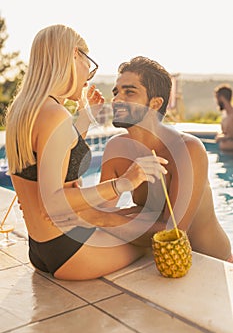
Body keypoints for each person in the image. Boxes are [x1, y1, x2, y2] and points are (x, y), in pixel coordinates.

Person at [5, 25, 168, 280]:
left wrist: (85, 116)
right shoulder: (54, 115)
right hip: (70, 252)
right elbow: (52, 202)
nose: (89, 76)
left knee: (129, 217)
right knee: (149, 239)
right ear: (73, 56)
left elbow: (55, 157)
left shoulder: (24, 109)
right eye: (88, 64)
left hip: (40, 249)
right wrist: (123, 183)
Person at [100, 56, 233, 263]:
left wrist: (106, 219)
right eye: (116, 92)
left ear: (155, 103)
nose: (116, 99)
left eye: (129, 92)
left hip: (213, 264)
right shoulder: (116, 148)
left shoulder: (187, 150)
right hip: (161, 262)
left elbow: (173, 232)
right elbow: (101, 209)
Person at [214, 84, 233, 151]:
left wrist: (221, 138)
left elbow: (231, 136)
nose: (216, 102)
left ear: (221, 98)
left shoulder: (231, 117)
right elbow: (226, 133)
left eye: (216, 98)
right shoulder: (225, 116)